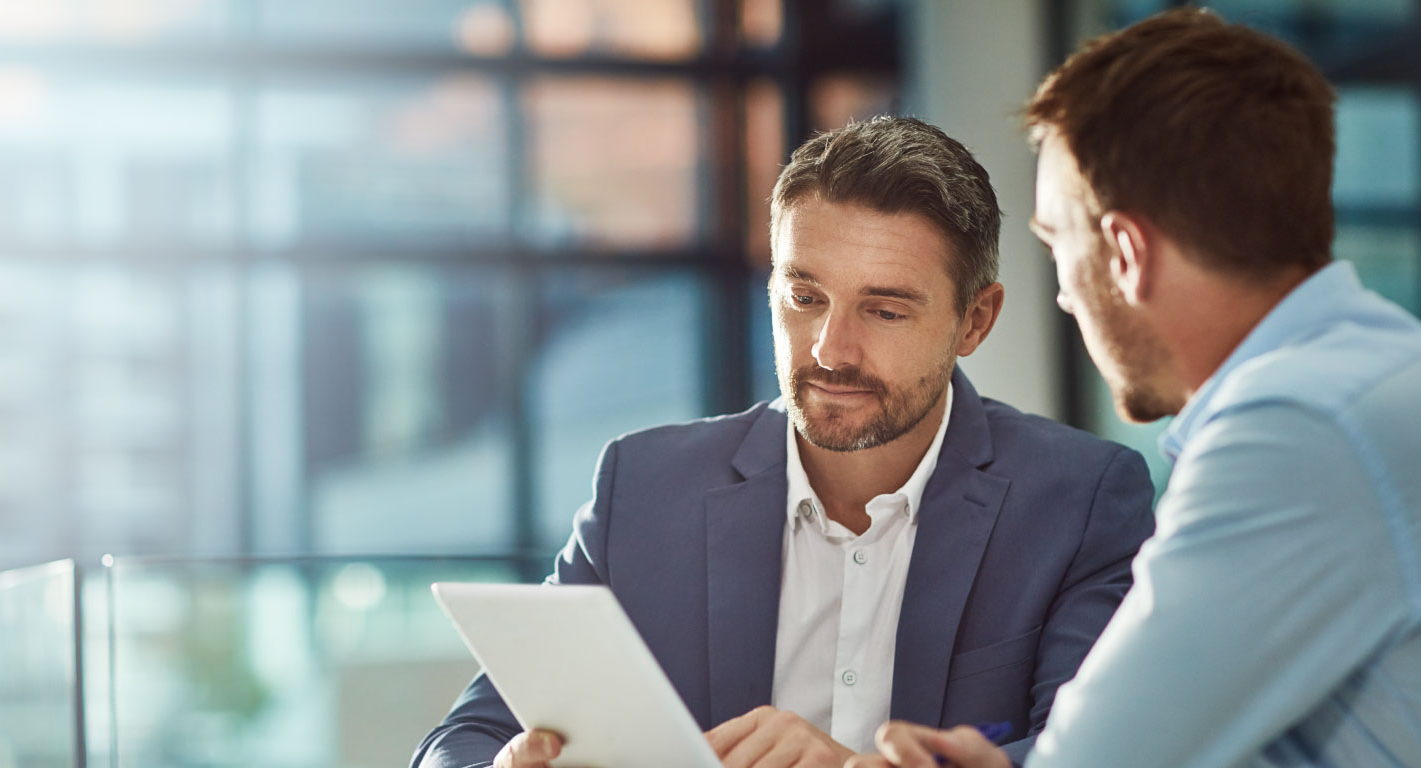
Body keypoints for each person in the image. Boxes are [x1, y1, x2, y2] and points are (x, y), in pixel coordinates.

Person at [411, 116, 1155, 768]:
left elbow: (1103, 751)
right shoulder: (643, 487)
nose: (831, 349)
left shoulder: (1082, 501)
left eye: (885, 311)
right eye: (805, 298)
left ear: (974, 322)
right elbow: (466, 736)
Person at [852, 9, 1421, 768]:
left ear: (1124, 251)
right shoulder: (1377, 373)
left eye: (1058, 244)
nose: (1061, 295)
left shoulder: (1295, 429)